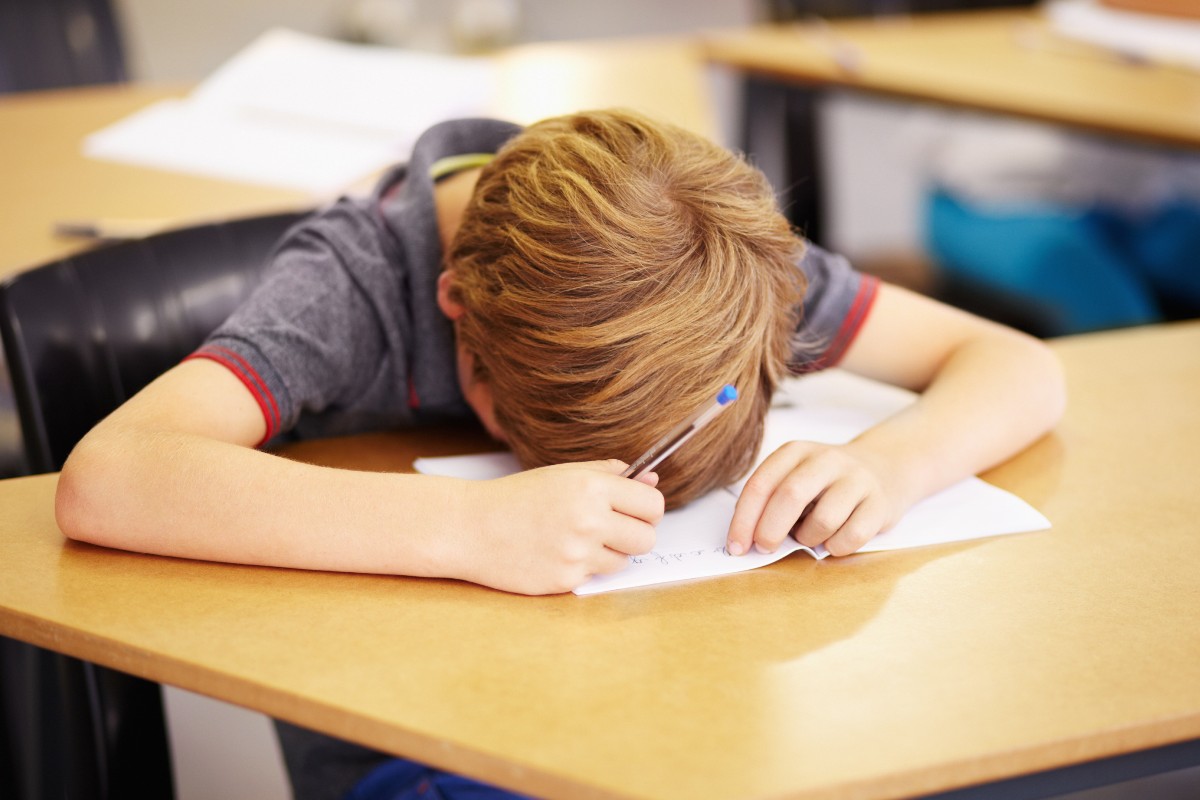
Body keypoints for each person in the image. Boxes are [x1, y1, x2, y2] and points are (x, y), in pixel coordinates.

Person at [54, 109, 1065, 800]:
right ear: (458, 314)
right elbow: (111, 475)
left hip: (677, 706)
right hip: (413, 727)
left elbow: (1017, 366)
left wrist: (894, 464)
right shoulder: (351, 284)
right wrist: (470, 523)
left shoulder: (713, 256)